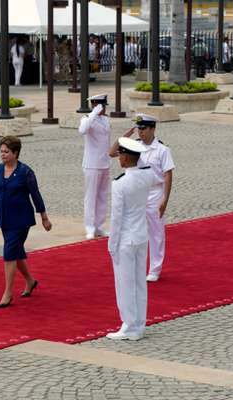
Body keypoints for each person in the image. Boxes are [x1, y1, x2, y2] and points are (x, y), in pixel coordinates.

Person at [0, 136, 52, 308]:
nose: (2, 155)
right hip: (4, 219)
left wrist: (44, 217)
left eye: (6, 152)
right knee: (15, 252)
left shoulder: (26, 172)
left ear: (15, 153)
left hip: (21, 220)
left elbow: (36, 195)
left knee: (9, 252)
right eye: (1, 151)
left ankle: (8, 293)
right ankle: (30, 281)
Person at [110, 114, 174, 282]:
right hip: (137, 192)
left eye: (144, 128)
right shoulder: (133, 146)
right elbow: (111, 153)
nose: (141, 132)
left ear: (153, 128)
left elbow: (167, 175)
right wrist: (125, 136)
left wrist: (165, 200)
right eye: (138, 128)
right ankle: (134, 264)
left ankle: (155, 268)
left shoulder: (162, 150)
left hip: (155, 192)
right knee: (133, 228)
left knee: (156, 232)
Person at [106, 137, 154, 341]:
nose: (118, 158)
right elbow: (145, 167)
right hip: (142, 236)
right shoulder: (147, 175)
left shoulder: (120, 184)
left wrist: (112, 244)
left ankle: (129, 325)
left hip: (125, 239)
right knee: (139, 283)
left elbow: (117, 217)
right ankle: (139, 323)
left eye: (120, 155)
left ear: (126, 157)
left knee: (125, 284)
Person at [79, 94, 111, 240]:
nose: (103, 109)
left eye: (104, 106)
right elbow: (82, 130)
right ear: (95, 105)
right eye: (101, 106)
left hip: (104, 163)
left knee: (102, 197)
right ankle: (89, 228)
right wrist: (93, 113)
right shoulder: (87, 119)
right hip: (92, 164)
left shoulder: (106, 120)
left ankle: (99, 227)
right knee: (90, 197)